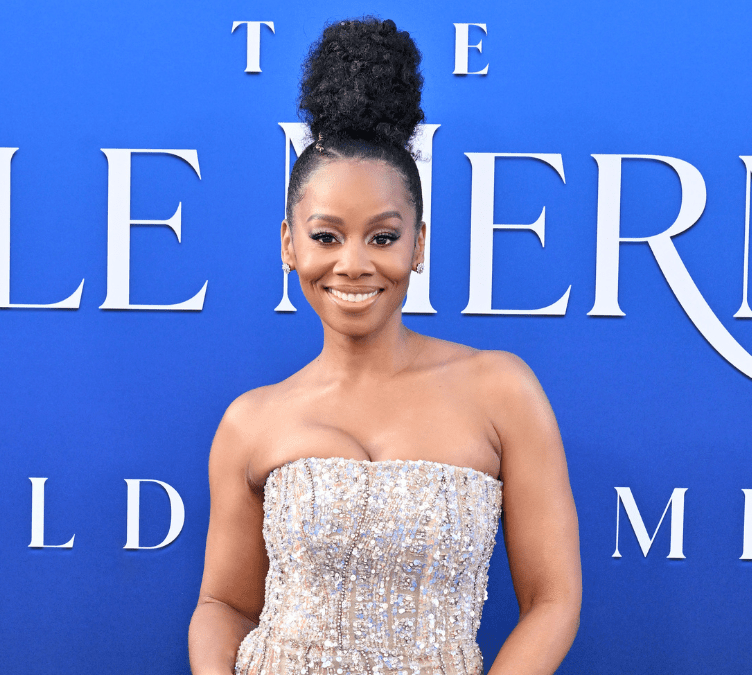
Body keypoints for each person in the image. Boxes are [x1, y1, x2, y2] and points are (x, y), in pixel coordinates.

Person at [188, 17, 581, 675]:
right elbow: (224, 602)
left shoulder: (501, 390)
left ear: (418, 245)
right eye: (326, 236)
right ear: (289, 244)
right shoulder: (250, 421)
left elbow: (554, 599)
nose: (352, 264)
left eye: (382, 236)